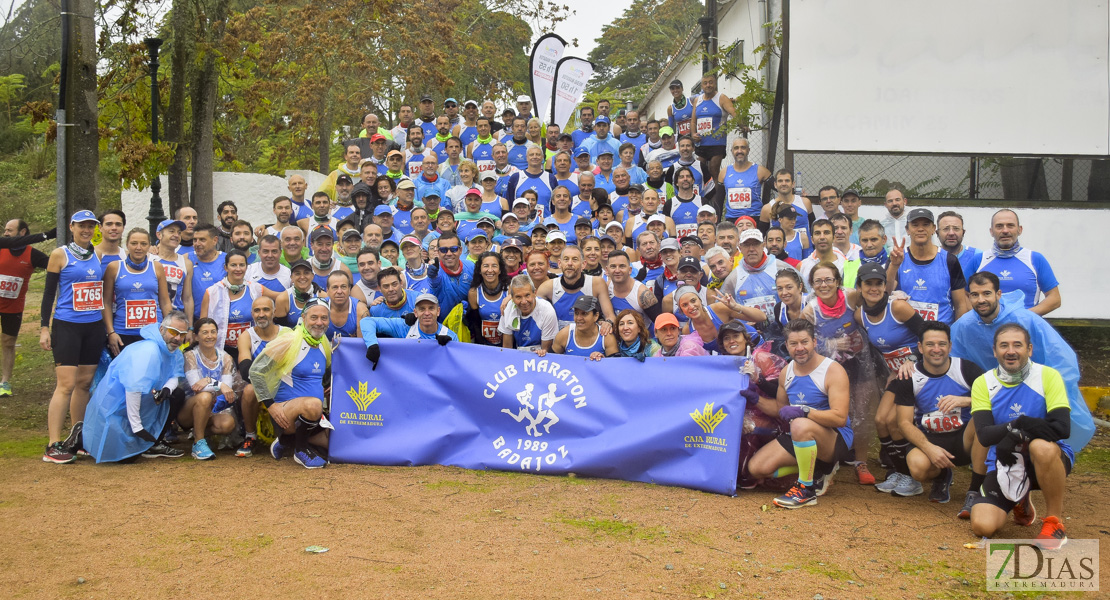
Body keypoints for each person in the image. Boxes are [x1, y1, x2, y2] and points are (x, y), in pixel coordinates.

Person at [951, 272, 1094, 453]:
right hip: (997, 392)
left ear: (998, 294)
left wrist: (1053, 391)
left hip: (1035, 391)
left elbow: (1061, 359)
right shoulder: (965, 326)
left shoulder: (1026, 320)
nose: (981, 300)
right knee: (979, 428)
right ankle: (982, 476)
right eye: (975, 295)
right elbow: (952, 359)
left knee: (1039, 446)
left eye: (986, 293)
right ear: (968, 297)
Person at [969, 323, 1073, 549]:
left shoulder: (1047, 376)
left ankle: (1054, 523)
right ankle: (1021, 500)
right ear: (995, 351)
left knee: (1041, 447)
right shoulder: (983, 382)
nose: (1011, 351)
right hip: (1005, 462)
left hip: (1045, 460)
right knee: (982, 527)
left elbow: (1062, 428)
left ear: (1030, 349)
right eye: (1004, 345)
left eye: (1018, 345)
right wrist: (1018, 424)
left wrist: (1016, 434)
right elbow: (985, 435)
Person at [748, 319, 852, 509]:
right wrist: (755, 398)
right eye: (794, 344)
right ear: (786, 345)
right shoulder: (786, 372)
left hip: (835, 438)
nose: (800, 348)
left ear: (814, 342)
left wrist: (804, 412)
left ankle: (806, 490)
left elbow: (840, 418)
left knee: (799, 424)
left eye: (804, 342)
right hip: (802, 434)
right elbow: (781, 410)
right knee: (757, 468)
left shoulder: (832, 370)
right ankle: (819, 469)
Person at [889, 321, 987, 512]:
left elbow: (996, 400)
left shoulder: (966, 369)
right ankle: (941, 475)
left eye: (942, 344)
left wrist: (966, 401)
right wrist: (929, 448)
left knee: (983, 418)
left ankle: (975, 490)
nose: (936, 349)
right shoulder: (909, 376)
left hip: (965, 439)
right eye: (930, 344)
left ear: (950, 346)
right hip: (930, 438)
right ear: (920, 347)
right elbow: (903, 422)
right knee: (917, 468)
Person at [40, 210, 107, 463]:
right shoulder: (60, 254)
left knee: (84, 384)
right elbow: (48, 295)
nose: (86, 230)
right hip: (67, 325)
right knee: (66, 384)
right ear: (71, 227)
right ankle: (52, 444)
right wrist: (44, 328)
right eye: (82, 226)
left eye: (91, 226)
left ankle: (78, 438)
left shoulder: (98, 254)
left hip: (93, 327)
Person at [80, 312, 189, 463]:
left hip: (143, 403)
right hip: (118, 407)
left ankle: (154, 443)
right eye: (173, 332)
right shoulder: (148, 350)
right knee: (124, 459)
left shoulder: (174, 352)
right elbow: (133, 388)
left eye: (182, 334)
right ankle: (79, 436)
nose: (177, 338)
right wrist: (138, 428)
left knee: (177, 394)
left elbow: (175, 375)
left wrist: (166, 390)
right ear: (162, 329)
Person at [248, 298, 332, 469]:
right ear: (303, 317)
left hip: (313, 417)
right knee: (314, 404)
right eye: (314, 317)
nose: (319, 323)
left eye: (324, 318)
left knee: (336, 447)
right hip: (284, 415)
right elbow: (255, 371)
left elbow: (325, 374)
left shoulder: (324, 343)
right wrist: (271, 405)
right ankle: (300, 450)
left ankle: (286, 442)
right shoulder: (288, 341)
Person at [715, 320, 790, 490]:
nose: (732, 341)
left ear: (745, 338)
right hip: (740, 417)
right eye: (727, 338)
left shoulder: (761, 358)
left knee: (749, 431)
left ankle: (768, 473)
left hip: (772, 419)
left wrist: (758, 379)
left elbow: (781, 394)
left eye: (736, 336)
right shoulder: (722, 364)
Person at [887, 208, 969, 324]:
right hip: (907, 335)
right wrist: (894, 266)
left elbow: (960, 304)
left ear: (933, 229)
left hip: (940, 335)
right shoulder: (897, 258)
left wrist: (955, 335)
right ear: (907, 229)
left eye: (926, 225)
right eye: (915, 225)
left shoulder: (949, 260)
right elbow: (885, 292)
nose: (920, 229)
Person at [177, 318, 244, 460]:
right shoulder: (190, 356)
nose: (210, 336)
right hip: (189, 410)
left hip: (214, 408)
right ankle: (198, 443)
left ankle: (198, 431)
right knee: (204, 396)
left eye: (213, 332)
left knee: (227, 424)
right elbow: (196, 386)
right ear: (196, 336)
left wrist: (211, 383)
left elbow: (227, 392)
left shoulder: (226, 358)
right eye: (205, 332)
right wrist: (217, 384)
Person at [974, 209, 1061, 315]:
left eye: (1010, 225)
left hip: (1025, 328)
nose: (1005, 230)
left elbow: (1055, 299)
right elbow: (963, 296)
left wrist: (1024, 317)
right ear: (991, 231)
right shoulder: (978, 260)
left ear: (1020, 230)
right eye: (999, 226)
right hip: (987, 328)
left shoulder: (1035, 259)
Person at [0, 221, 52, 396]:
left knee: (8, 343)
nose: (6, 233)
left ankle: (4, 382)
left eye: (9, 230)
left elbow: (55, 266)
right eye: (5, 230)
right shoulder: (1, 246)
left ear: (22, 232)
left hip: (13, 307)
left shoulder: (33, 255)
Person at [234, 295, 287, 458]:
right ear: (252, 313)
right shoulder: (247, 336)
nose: (261, 314)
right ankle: (250, 436)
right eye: (257, 310)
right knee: (249, 390)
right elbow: (245, 369)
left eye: (266, 309)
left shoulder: (286, 334)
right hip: (259, 384)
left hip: (285, 383)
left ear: (274, 312)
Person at [103, 228, 172, 354]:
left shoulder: (157, 267)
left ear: (149, 246)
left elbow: (165, 301)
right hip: (123, 332)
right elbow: (106, 302)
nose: (138, 247)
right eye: (134, 243)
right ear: (127, 245)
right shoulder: (114, 267)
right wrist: (111, 332)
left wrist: (170, 330)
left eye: (143, 244)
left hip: (153, 331)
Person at [200, 250, 275, 361]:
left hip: (251, 349)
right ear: (226, 267)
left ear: (246, 267)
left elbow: (281, 297)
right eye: (233, 265)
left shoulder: (256, 289)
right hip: (222, 350)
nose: (238, 269)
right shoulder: (212, 292)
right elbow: (202, 326)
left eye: (242, 265)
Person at [360, 293, 456, 370]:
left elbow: (454, 367)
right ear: (415, 312)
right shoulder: (405, 327)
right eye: (422, 309)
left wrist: (447, 349)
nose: (427, 313)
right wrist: (372, 345)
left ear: (438, 311)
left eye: (431, 308)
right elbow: (367, 321)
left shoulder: (450, 337)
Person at [537, 245, 617, 331]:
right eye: (566, 259)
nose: (570, 263)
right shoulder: (547, 287)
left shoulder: (596, 283)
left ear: (583, 264)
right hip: (559, 339)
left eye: (575, 259)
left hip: (588, 337)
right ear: (559, 263)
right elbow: (536, 319)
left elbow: (610, 316)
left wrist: (608, 323)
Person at [719, 230, 795, 320]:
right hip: (749, 332)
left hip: (783, 329)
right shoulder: (734, 278)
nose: (751, 249)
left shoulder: (781, 268)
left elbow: (802, 296)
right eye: (747, 245)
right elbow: (722, 311)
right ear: (740, 248)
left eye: (755, 244)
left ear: (763, 245)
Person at [499, 274, 559, 354]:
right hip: (518, 355)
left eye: (527, 295)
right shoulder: (508, 308)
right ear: (512, 298)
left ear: (535, 293)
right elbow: (507, 349)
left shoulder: (547, 310)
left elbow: (546, 351)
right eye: (518, 297)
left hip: (540, 357)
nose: (524, 302)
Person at [551, 296, 619, 359]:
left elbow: (614, 367)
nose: (579, 318)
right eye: (576, 313)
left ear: (596, 316)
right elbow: (550, 360)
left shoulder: (607, 337)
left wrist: (603, 360)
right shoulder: (564, 334)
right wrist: (542, 353)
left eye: (584, 313)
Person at [467, 252, 508, 346]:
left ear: (500, 270)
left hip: (507, 345)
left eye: (494, 266)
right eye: (486, 266)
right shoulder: (473, 293)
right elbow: (476, 324)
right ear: (480, 270)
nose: (490, 270)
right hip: (485, 345)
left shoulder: (509, 290)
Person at [187, 224, 227, 319]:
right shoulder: (187, 259)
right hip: (196, 320)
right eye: (195, 240)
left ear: (215, 240)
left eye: (202, 240)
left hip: (222, 319)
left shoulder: (227, 259)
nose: (197, 243)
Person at [760, 169, 813, 237]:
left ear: (793, 184)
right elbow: (762, 236)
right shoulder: (767, 208)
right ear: (775, 184)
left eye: (787, 181)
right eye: (780, 181)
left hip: (805, 247)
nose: (784, 184)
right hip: (781, 247)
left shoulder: (805, 202)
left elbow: (813, 228)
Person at [935, 211, 982, 287]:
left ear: (963, 232)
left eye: (956, 229)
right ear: (937, 233)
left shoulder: (977, 256)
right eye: (946, 229)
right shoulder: (930, 257)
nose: (951, 233)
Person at [275, 260, 318, 328]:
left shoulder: (322, 296)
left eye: (306, 273)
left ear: (312, 276)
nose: (302, 277)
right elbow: (280, 330)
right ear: (291, 277)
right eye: (298, 274)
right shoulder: (283, 299)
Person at [324, 271, 366, 340]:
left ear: (349, 289)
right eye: (335, 287)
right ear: (327, 290)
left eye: (343, 287)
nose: (339, 291)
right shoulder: (319, 307)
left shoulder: (361, 310)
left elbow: (361, 347)